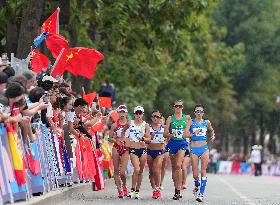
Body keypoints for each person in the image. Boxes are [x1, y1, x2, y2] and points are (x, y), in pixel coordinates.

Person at [164, 100, 192, 200]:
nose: (178, 107)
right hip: (172, 143)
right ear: (174, 107)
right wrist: (171, 134)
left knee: (178, 165)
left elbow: (190, 131)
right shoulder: (170, 118)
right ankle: (176, 189)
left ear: (182, 107)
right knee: (174, 167)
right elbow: (165, 134)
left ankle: (179, 190)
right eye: (176, 106)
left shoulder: (187, 118)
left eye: (180, 106)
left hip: (182, 143)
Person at [188, 104, 215, 202]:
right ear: (194, 113)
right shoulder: (191, 122)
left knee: (203, 170)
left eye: (201, 111)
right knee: (195, 174)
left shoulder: (206, 122)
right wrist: (192, 134)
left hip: (204, 148)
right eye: (197, 111)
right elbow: (185, 134)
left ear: (203, 113)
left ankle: (201, 194)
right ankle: (196, 184)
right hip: (194, 149)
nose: (199, 113)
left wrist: (212, 136)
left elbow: (211, 130)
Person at [123, 106, 150, 199]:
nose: (139, 115)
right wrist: (126, 141)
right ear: (134, 114)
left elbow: (149, 139)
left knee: (140, 171)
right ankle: (132, 189)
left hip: (142, 149)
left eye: (140, 113)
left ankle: (137, 190)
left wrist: (143, 138)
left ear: (143, 114)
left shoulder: (145, 125)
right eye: (137, 113)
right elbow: (123, 132)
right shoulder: (130, 123)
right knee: (137, 169)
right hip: (133, 149)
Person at [109, 105, 130, 198]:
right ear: (118, 113)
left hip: (126, 148)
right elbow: (109, 138)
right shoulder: (114, 125)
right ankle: (119, 190)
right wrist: (115, 140)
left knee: (122, 172)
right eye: (120, 112)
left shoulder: (129, 124)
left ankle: (125, 185)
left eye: (123, 112)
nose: (122, 114)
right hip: (116, 147)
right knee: (116, 170)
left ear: (126, 113)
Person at [147, 110, 165, 199]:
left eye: (157, 117)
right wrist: (149, 139)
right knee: (151, 171)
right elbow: (144, 139)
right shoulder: (148, 127)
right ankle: (154, 189)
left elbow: (168, 138)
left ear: (160, 118)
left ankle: (158, 188)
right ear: (151, 117)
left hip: (160, 152)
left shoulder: (164, 128)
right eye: (154, 116)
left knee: (156, 169)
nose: (155, 118)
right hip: (150, 151)